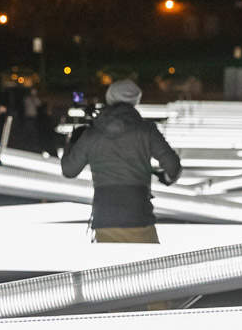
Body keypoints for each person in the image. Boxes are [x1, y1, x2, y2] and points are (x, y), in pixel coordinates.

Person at [60, 78, 181, 243]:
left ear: (109, 98)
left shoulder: (92, 134)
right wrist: (165, 178)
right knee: (148, 267)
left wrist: (72, 143)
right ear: (136, 101)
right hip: (139, 215)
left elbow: (69, 170)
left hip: (105, 218)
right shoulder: (147, 130)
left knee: (113, 267)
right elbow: (173, 167)